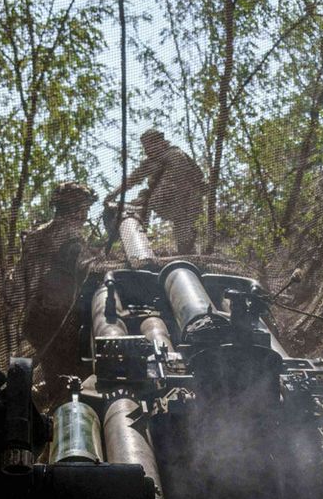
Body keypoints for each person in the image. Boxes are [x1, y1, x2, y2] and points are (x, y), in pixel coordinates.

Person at [13, 180, 95, 394]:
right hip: (58, 322)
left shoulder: (35, 235)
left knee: (55, 376)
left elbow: (16, 278)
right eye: (84, 208)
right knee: (68, 382)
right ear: (76, 209)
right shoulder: (70, 235)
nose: (85, 215)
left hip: (35, 318)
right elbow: (88, 270)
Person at [109, 129, 207, 255]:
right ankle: (136, 238)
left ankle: (190, 257)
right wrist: (113, 194)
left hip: (188, 200)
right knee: (137, 205)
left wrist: (152, 199)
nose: (147, 150)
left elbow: (174, 178)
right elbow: (132, 179)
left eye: (149, 145)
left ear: (160, 142)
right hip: (170, 201)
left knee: (185, 238)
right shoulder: (150, 162)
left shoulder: (174, 154)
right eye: (145, 147)